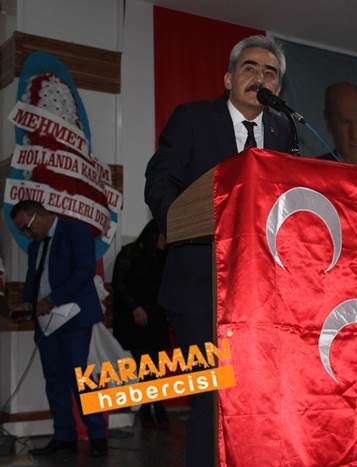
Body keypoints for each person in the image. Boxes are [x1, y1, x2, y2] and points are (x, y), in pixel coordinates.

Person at [144, 35, 293, 467]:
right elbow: (160, 180)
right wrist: (177, 222)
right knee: (212, 401)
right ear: (229, 79)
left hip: (263, 294)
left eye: (270, 72)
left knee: (258, 398)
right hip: (200, 287)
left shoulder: (284, 131)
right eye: (250, 67)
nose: (260, 77)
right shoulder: (193, 118)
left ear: (278, 88)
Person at [10, 200, 107, 458]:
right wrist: (28, 303)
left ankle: (97, 435)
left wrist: (52, 300)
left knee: (80, 377)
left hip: (73, 318)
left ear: (39, 215)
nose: (27, 234)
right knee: (54, 379)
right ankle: (64, 437)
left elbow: (84, 272)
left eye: (27, 228)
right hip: (47, 323)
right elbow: (33, 279)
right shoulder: (35, 246)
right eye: (22, 231)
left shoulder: (75, 231)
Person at [111, 220, 169, 427]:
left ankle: (151, 406)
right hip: (132, 317)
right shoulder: (131, 252)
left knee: (155, 363)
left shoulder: (164, 256)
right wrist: (135, 307)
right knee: (145, 363)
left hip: (155, 317)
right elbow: (119, 284)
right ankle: (153, 407)